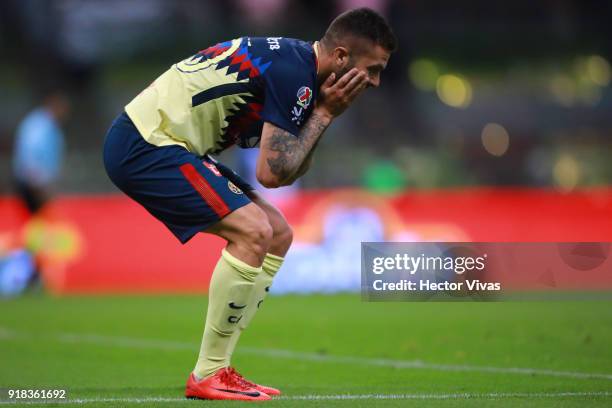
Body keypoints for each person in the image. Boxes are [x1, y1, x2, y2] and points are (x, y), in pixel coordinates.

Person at [103, 7, 396, 401]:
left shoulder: (297, 67)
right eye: (372, 69)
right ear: (341, 57)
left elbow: (290, 164)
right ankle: (210, 372)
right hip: (147, 144)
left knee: (277, 233)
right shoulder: (295, 76)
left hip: (167, 143)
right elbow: (273, 174)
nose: (375, 82)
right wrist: (325, 114)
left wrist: (320, 116)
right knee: (254, 230)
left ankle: (219, 368)